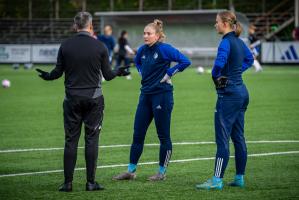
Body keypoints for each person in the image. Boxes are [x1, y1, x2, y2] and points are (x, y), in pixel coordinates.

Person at [36, 12, 129, 192]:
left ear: (75, 25)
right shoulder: (100, 46)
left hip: (72, 99)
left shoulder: (66, 45)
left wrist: (47, 76)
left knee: (71, 140)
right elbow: (108, 76)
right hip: (94, 99)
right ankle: (90, 183)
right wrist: (119, 71)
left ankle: (67, 183)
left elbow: (57, 72)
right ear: (91, 25)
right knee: (91, 140)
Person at [113, 19, 191, 181]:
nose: (145, 36)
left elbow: (185, 61)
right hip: (145, 96)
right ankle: (130, 171)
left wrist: (170, 73)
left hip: (162, 96)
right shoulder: (142, 50)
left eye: (149, 33)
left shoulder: (165, 49)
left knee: (163, 136)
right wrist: (142, 72)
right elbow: (137, 62)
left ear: (157, 35)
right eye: (144, 33)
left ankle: (161, 172)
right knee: (137, 134)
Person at [196, 11, 254, 190]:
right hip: (242, 93)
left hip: (229, 95)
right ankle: (239, 178)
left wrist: (216, 77)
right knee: (238, 137)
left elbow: (219, 64)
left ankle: (216, 180)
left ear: (225, 24)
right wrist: (235, 74)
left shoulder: (226, 42)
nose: (215, 25)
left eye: (217, 22)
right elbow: (250, 59)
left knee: (222, 140)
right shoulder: (239, 42)